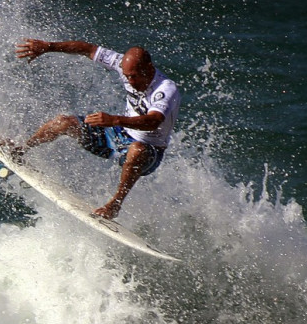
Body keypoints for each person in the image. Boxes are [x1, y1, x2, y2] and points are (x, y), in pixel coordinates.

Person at [12, 39, 181, 219]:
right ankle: (21, 149)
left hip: (149, 150)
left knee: (137, 149)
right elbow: (88, 49)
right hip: (119, 136)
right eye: (127, 76)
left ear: (148, 68)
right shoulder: (123, 64)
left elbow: (153, 121)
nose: (130, 81)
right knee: (64, 122)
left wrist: (114, 120)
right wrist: (48, 47)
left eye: (134, 76)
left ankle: (114, 205)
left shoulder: (165, 88)